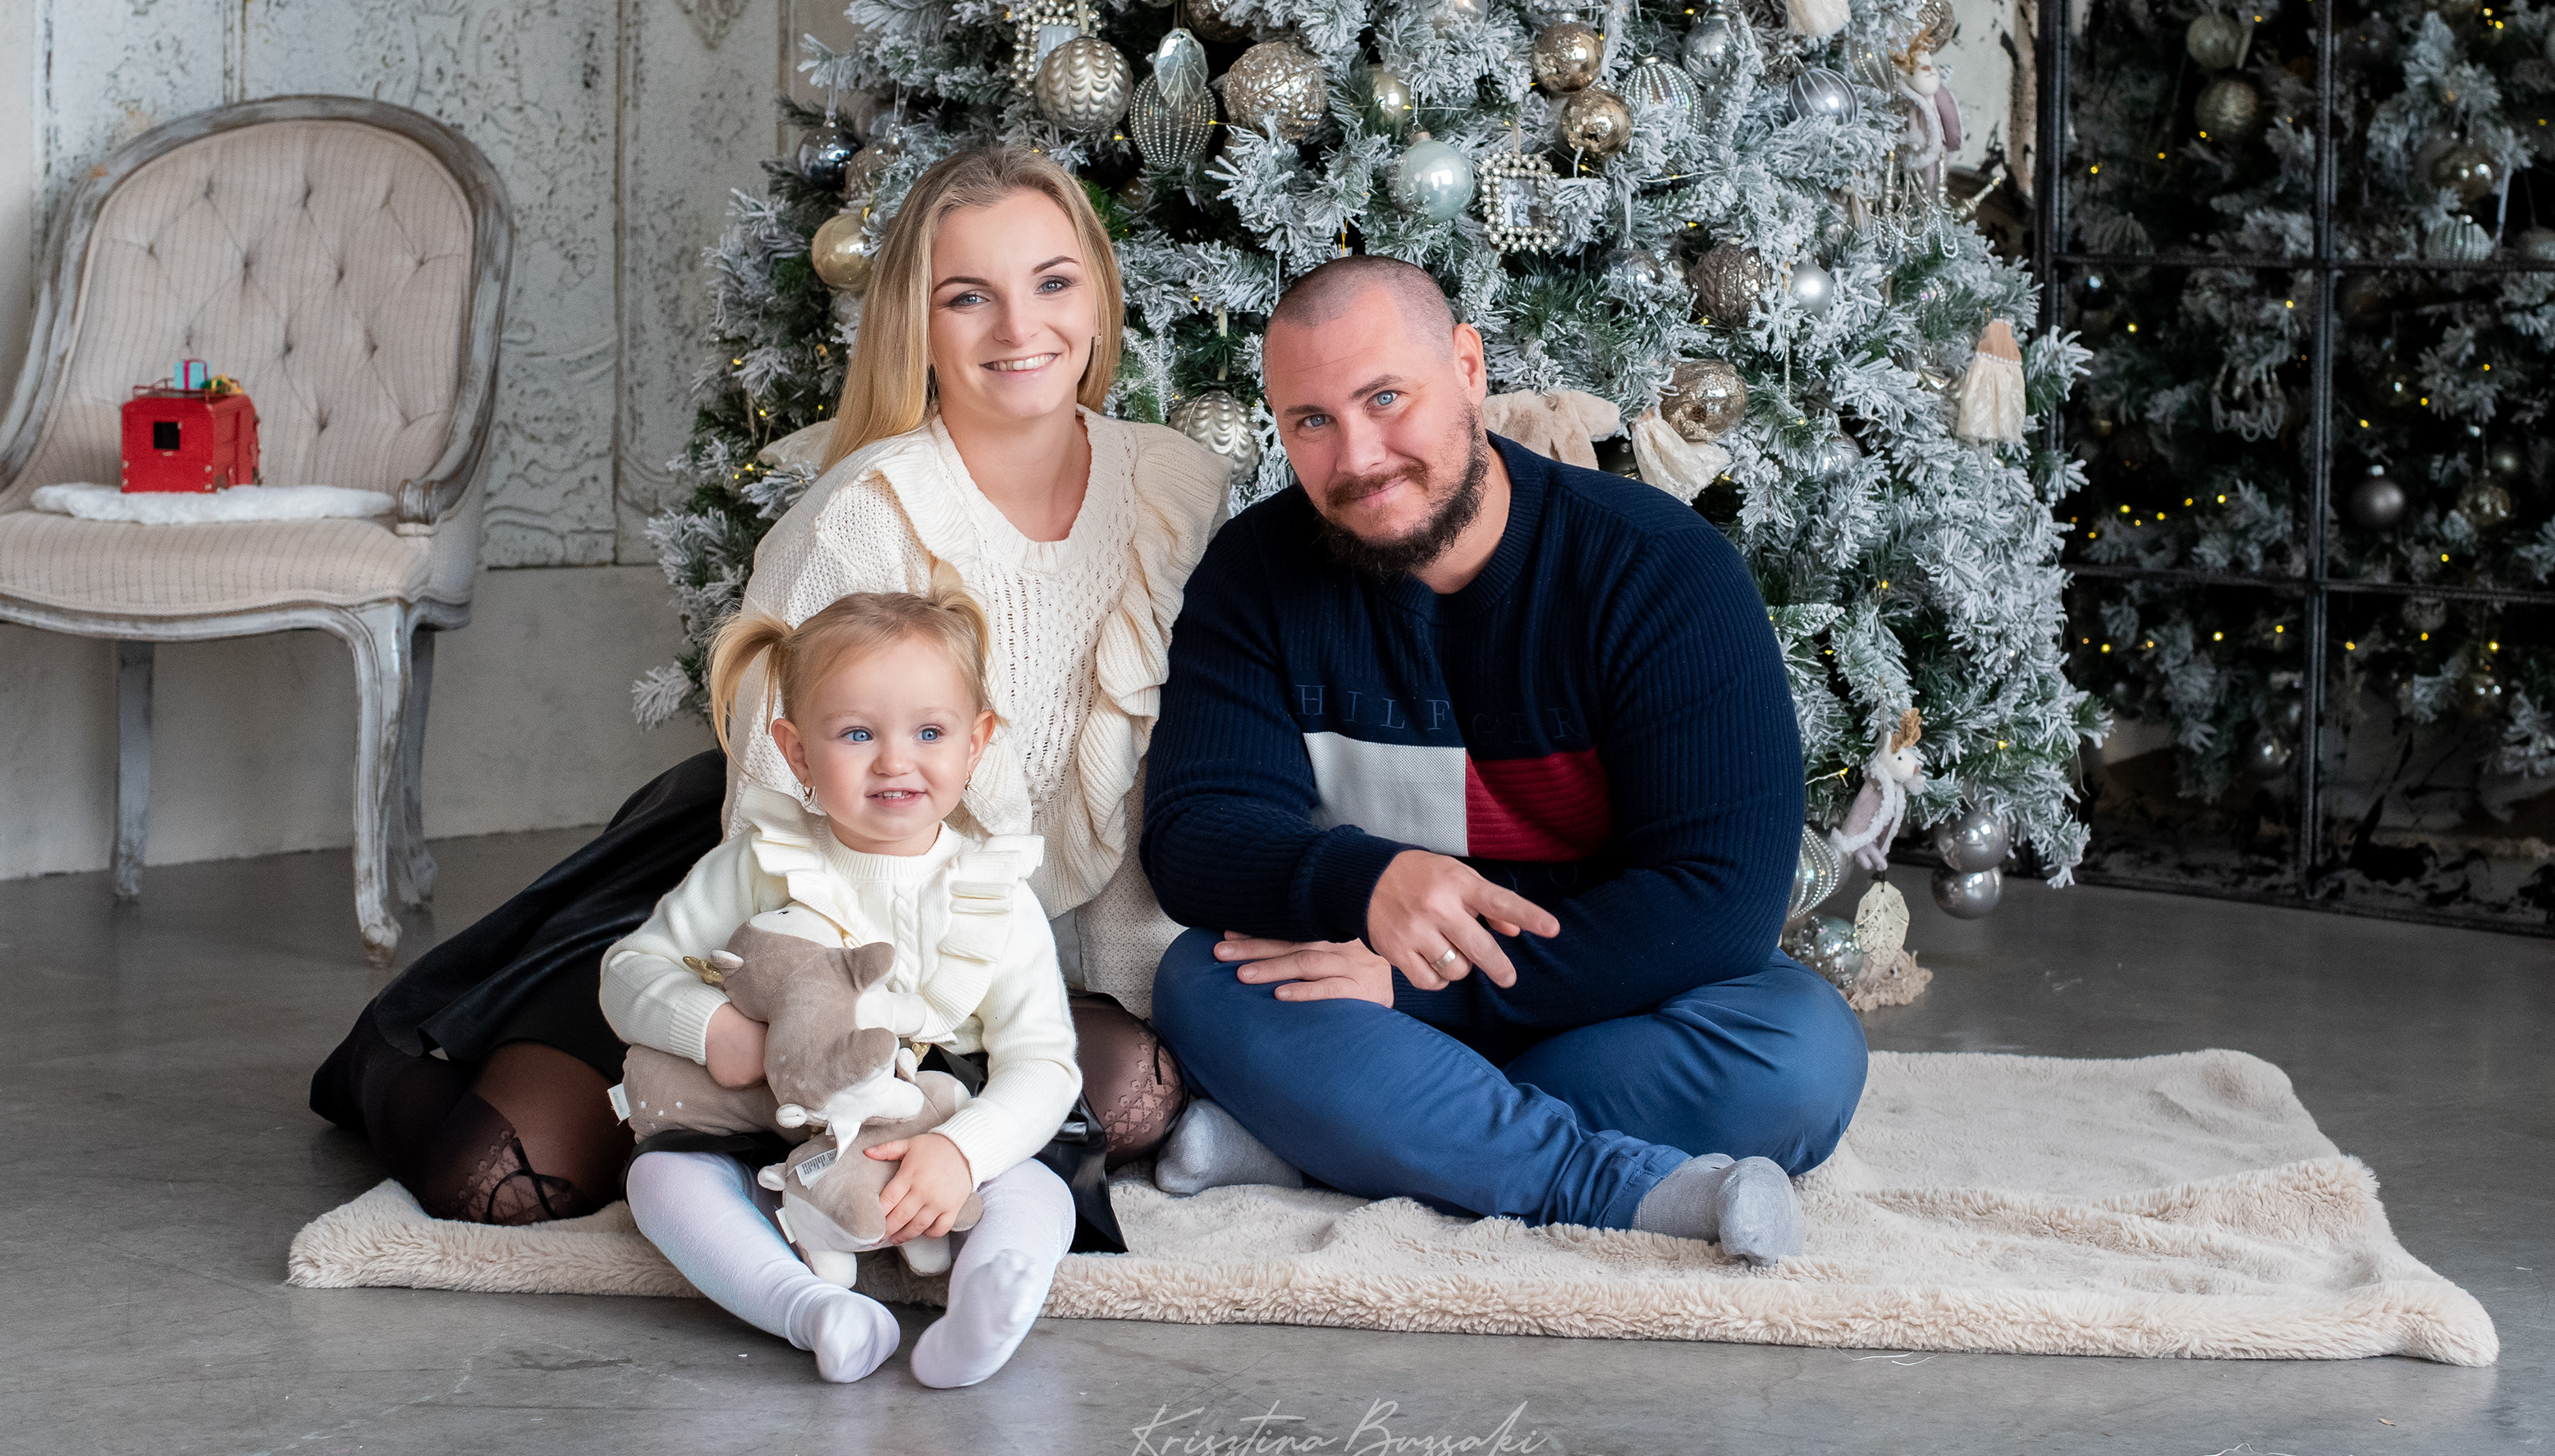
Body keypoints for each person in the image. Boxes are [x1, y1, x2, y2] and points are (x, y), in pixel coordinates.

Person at [309, 144, 1229, 1225]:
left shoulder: (1175, 488)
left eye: (1053, 281)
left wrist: (1131, 995)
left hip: (984, 944)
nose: (1020, 327)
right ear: (918, 324)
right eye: (967, 296)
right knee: (499, 1174)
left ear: (1099, 295)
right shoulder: (857, 523)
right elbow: (774, 825)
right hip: (783, 900)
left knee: (1130, 1092)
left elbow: (1144, 773)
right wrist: (815, 1041)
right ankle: (392, 1056)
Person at [1139, 256, 1864, 1262]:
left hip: (1588, 1003)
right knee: (1202, 979)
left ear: (1469, 368)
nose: (1359, 456)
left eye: (1385, 399)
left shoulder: (1659, 569)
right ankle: (1600, 1181)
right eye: (1311, 421)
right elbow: (1195, 833)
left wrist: (1424, 987)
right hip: (1365, 993)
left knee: (1801, 1051)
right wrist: (1367, 879)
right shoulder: (1257, 573)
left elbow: (1720, 900)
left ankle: (1337, 1141)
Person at [611, 589, 1079, 1386]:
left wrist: (962, 1151)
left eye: (929, 732)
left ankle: (987, 1302)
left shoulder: (994, 895)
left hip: (929, 1122)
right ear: (796, 752)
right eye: (858, 733)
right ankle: (812, 1309)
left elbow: (1044, 1061)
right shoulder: (762, 862)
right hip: (777, 1131)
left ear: (975, 743)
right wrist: (714, 1029)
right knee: (659, 1180)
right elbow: (628, 971)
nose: (894, 761)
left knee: (1038, 1188)